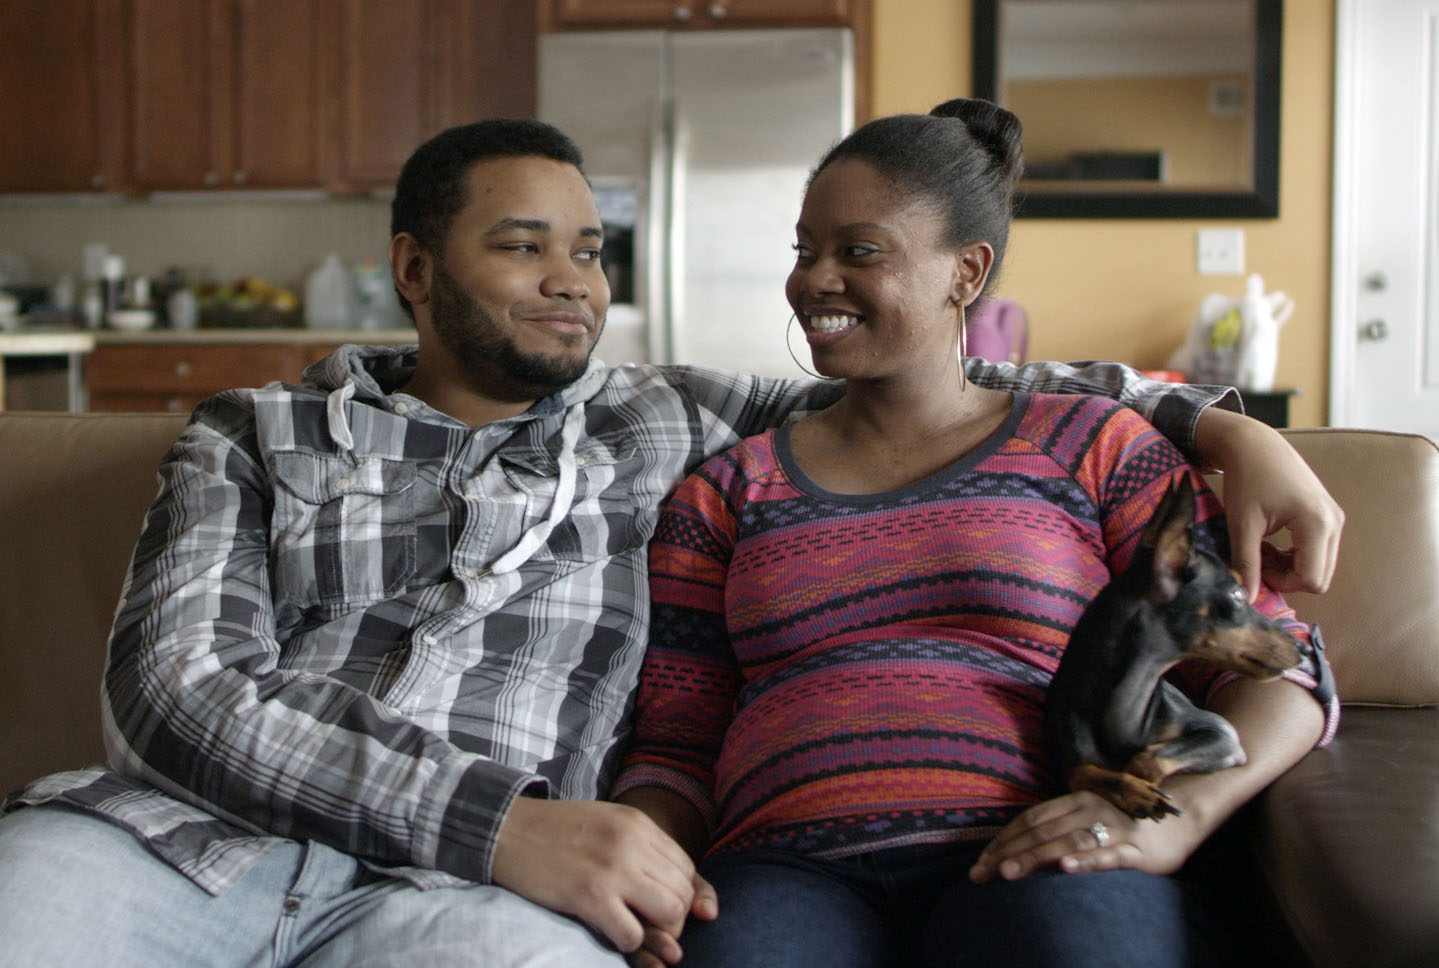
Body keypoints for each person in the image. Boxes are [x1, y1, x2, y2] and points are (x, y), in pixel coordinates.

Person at [0, 117, 1338, 967]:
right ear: (413, 271)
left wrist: (1225, 426)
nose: (575, 278)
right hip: (188, 846)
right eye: (525, 247)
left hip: (465, 909)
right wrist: (509, 826)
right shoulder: (253, 430)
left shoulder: (665, 419)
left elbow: (946, 393)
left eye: (591, 246)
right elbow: (171, 691)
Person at [612, 99, 1339, 968]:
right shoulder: (728, 487)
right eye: (805, 251)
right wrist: (645, 864)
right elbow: (677, 742)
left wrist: (1174, 822)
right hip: (784, 866)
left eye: (859, 251)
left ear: (966, 272)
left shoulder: (1092, 444)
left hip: (1041, 846)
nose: (815, 279)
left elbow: (1278, 662)